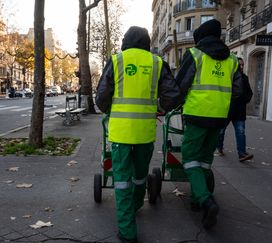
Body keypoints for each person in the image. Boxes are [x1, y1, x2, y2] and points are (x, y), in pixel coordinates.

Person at [95, 26, 179, 243]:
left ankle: (127, 231)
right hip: (145, 133)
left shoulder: (117, 60)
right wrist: (158, 108)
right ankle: (136, 205)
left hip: (121, 133)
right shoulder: (157, 62)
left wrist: (112, 111)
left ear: (126, 40)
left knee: (121, 180)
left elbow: (102, 97)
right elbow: (172, 96)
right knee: (140, 175)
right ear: (147, 42)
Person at [172, 19, 243, 229]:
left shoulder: (195, 55)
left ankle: (205, 199)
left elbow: (181, 85)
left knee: (190, 159)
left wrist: (171, 104)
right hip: (219, 118)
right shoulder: (231, 59)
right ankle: (196, 200)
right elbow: (238, 90)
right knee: (204, 160)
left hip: (196, 116)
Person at [216, 57, 254, 162]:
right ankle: (219, 147)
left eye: (242, 65)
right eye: (239, 65)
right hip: (227, 109)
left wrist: (244, 100)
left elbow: (249, 92)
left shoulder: (245, 78)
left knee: (240, 132)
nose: (241, 67)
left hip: (240, 110)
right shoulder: (228, 76)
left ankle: (242, 153)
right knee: (221, 131)